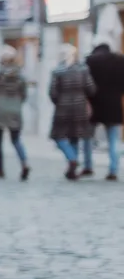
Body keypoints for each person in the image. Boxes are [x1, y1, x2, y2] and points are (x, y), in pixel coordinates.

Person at [49, 44, 96, 181]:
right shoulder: (83, 69)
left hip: (62, 108)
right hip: (80, 108)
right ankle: (72, 168)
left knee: (58, 137)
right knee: (74, 136)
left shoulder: (57, 71)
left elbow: (52, 93)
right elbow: (91, 89)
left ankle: (72, 159)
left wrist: (59, 101)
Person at [0, 46, 30, 181]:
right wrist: (17, 103)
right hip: (15, 109)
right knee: (16, 139)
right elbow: (24, 94)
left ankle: (0, 169)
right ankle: (24, 163)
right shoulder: (20, 76)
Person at [84, 35, 124, 181]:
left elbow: (85, 84)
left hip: (93, 104)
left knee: (88, 137)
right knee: (113, 139)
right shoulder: (120, 60)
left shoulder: (90, 60)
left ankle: (88, 166)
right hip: (113, 105)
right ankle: (113, 169)